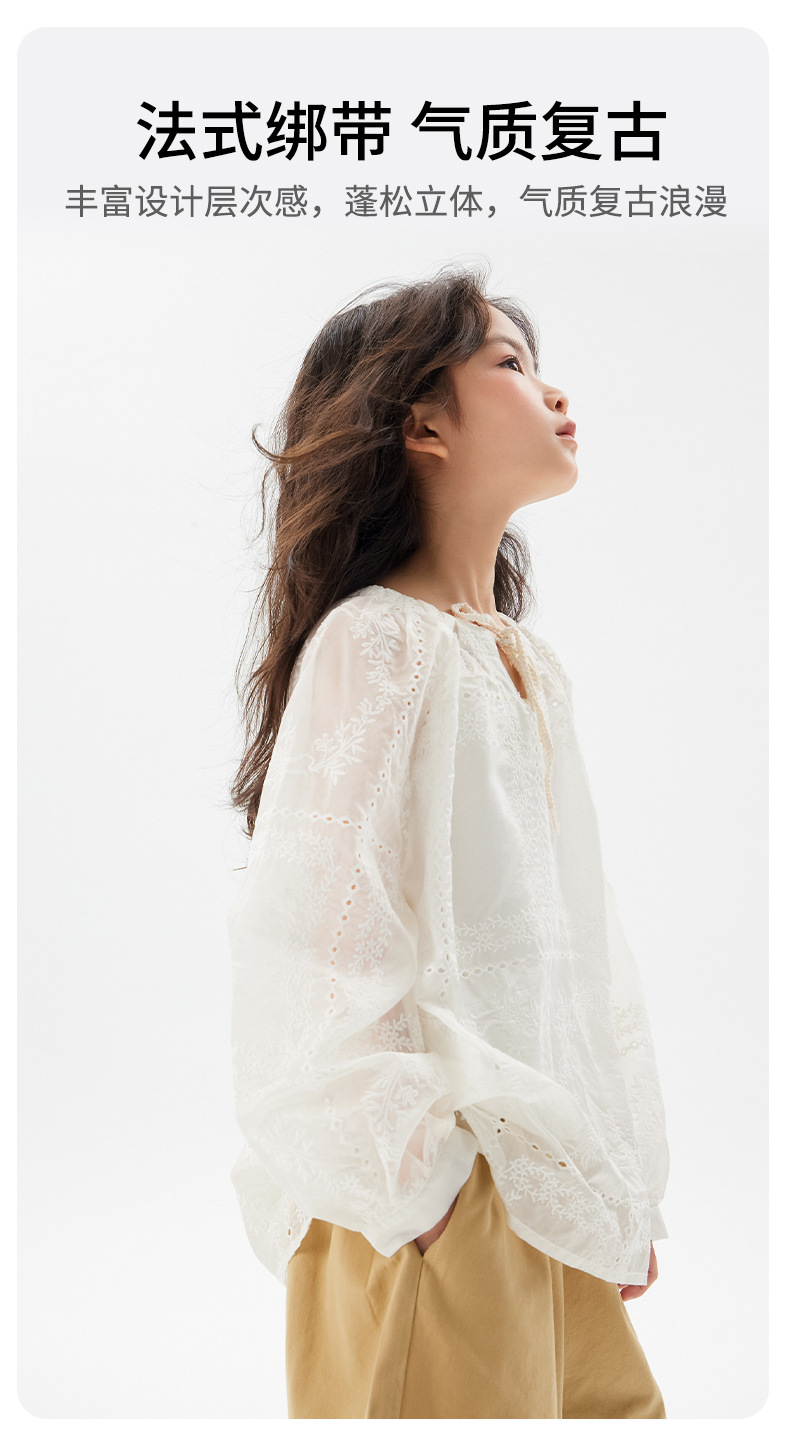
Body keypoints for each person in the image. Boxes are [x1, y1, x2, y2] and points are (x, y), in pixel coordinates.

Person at [226, 262, 670, 1418]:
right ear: (422, 423)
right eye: (510, 364)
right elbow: (315, 944)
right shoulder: (376, 642)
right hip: (429, 1204)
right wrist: (425, 1187)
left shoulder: (522, 661)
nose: (554, 391)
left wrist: (608, 1186)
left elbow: (570, 954)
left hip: (537, 1195)